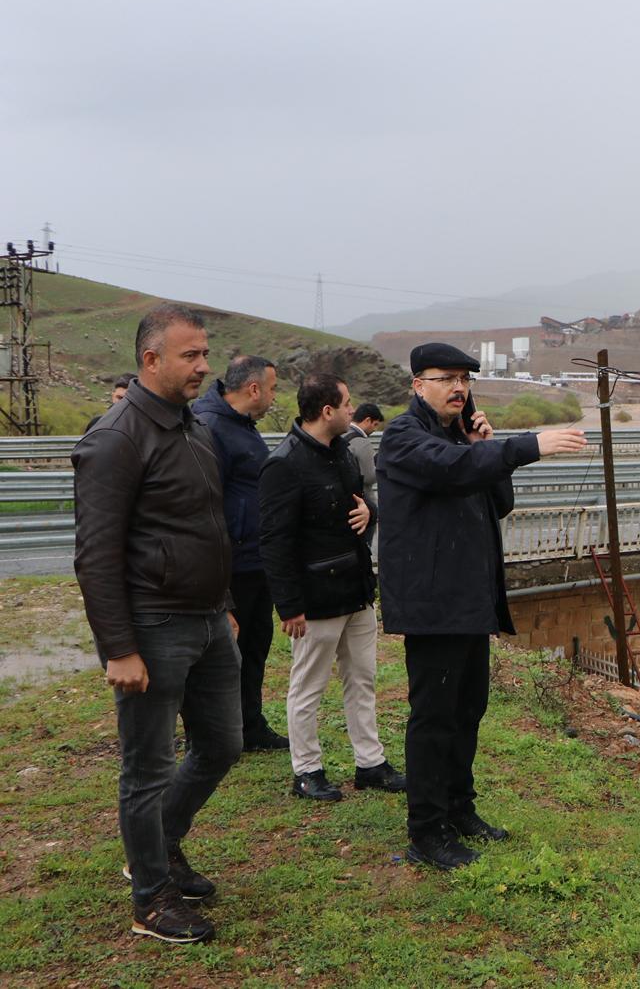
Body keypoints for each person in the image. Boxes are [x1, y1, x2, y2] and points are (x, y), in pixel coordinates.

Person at [377, 342, 585, 871]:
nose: (458, 388)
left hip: (468, 599)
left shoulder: (458, 440)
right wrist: (522, 446)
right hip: (434, 604)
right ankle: (427, 832)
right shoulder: (405, 437)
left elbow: (499, 503)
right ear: (416, 385)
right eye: (445, 378)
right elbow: (447, 471)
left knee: (468, 709)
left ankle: (459, 809)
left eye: (464, 380)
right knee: (434, 717)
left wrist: (485, 451)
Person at [73, 303, 242, 945]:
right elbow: (95, 553)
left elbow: (206, 524)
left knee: (222, 744)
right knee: (146, 767)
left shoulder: (191, 426)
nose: (205, 365)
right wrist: (119, 647)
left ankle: (161, 845)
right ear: (151, 360)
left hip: (205, 618)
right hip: (152, 624)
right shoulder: (117, 437)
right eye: (190, 356)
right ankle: (150, 899)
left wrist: (223, 602)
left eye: (205, 353)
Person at [259, 374, 405, 802]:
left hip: (356, 591)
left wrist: (369, 514)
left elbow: (359, 504)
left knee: (363, 679)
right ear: (326, 411)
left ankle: (370, 764)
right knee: (308, 686)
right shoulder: (283, 464)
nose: (351, 409)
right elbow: (274, 541)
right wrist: (289, 605)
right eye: (346, 403)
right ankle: (306, 771)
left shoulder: (343, 452)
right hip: (315, 599)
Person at [194, 355, 286, 753]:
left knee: (254, 647)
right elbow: (205, 506)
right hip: (230, 565)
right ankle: (211, 734)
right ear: (253, 389)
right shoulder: (211, 427)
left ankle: (249, 725)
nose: (274, 397)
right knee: (222, 655)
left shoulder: (241, 426)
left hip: (255, 560)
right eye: (273, 388)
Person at [344, 402, 384, 519]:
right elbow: (370, 477)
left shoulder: (341, 434)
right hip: (363, 504)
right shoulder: (362, 442)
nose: (374, 429)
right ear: (367, 420)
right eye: (375, 424)